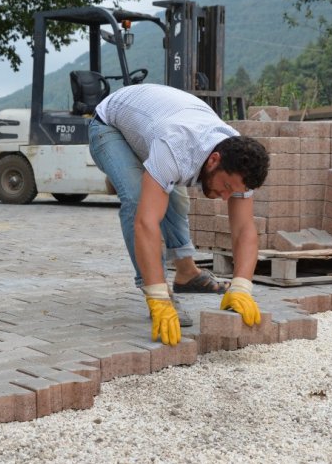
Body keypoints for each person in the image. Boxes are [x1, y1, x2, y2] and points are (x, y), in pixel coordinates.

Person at [88, 83, 270, 346]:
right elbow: (146, 223)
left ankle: (186, 274)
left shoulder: (239, 159)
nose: (226, 197)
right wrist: (158, 296)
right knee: (139, 199)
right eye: (226, 187)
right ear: (213, 160)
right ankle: (154, 288)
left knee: (175, 196)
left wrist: (242, 285)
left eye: (234, 192)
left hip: (154, 126)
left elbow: (243, 228)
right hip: (109, 125)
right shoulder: (176, 146)